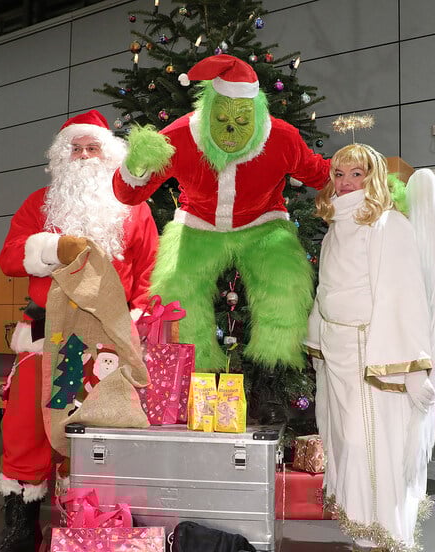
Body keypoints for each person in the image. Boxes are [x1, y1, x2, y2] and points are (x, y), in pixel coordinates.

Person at [0, 110, 158, 552]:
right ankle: (20, 530)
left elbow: (151, 274)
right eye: (74, 149)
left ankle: (97, 524)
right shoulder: (41, 203)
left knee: (94, 431)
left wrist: (137, 321)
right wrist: (53, 249)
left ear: (109, 156)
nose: (82, 156)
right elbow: (10, 258)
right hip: (45, 338)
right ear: (61, 156)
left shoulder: (134, 208)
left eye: (92, 148)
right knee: (27, 430)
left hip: (102, 345)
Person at [112, 54, 330, 372]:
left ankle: (274, 372)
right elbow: (129, 195)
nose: (231, 130)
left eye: (242, 122)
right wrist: (136, 166)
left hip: (263, 225)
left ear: (256, 116)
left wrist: (367, 177)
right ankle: (191, 374)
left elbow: (321, 174)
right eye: (222, 120)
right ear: (208, 112)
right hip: (199, 225)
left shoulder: (281, 138)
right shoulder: (181, 135)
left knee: (286, 283)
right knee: (175, 288)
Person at [305, 143, 435, 552]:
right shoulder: (334, 231)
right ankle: (373, 541)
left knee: (372, 452)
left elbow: (404, 295)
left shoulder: (390, 226)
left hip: (375, 358)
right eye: (339, 174)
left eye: (356, 174)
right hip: (340, 356)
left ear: (375, 180)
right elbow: (327, 292)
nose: (346, 183)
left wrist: (406, 369)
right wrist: (319, 341)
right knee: (347, 448)